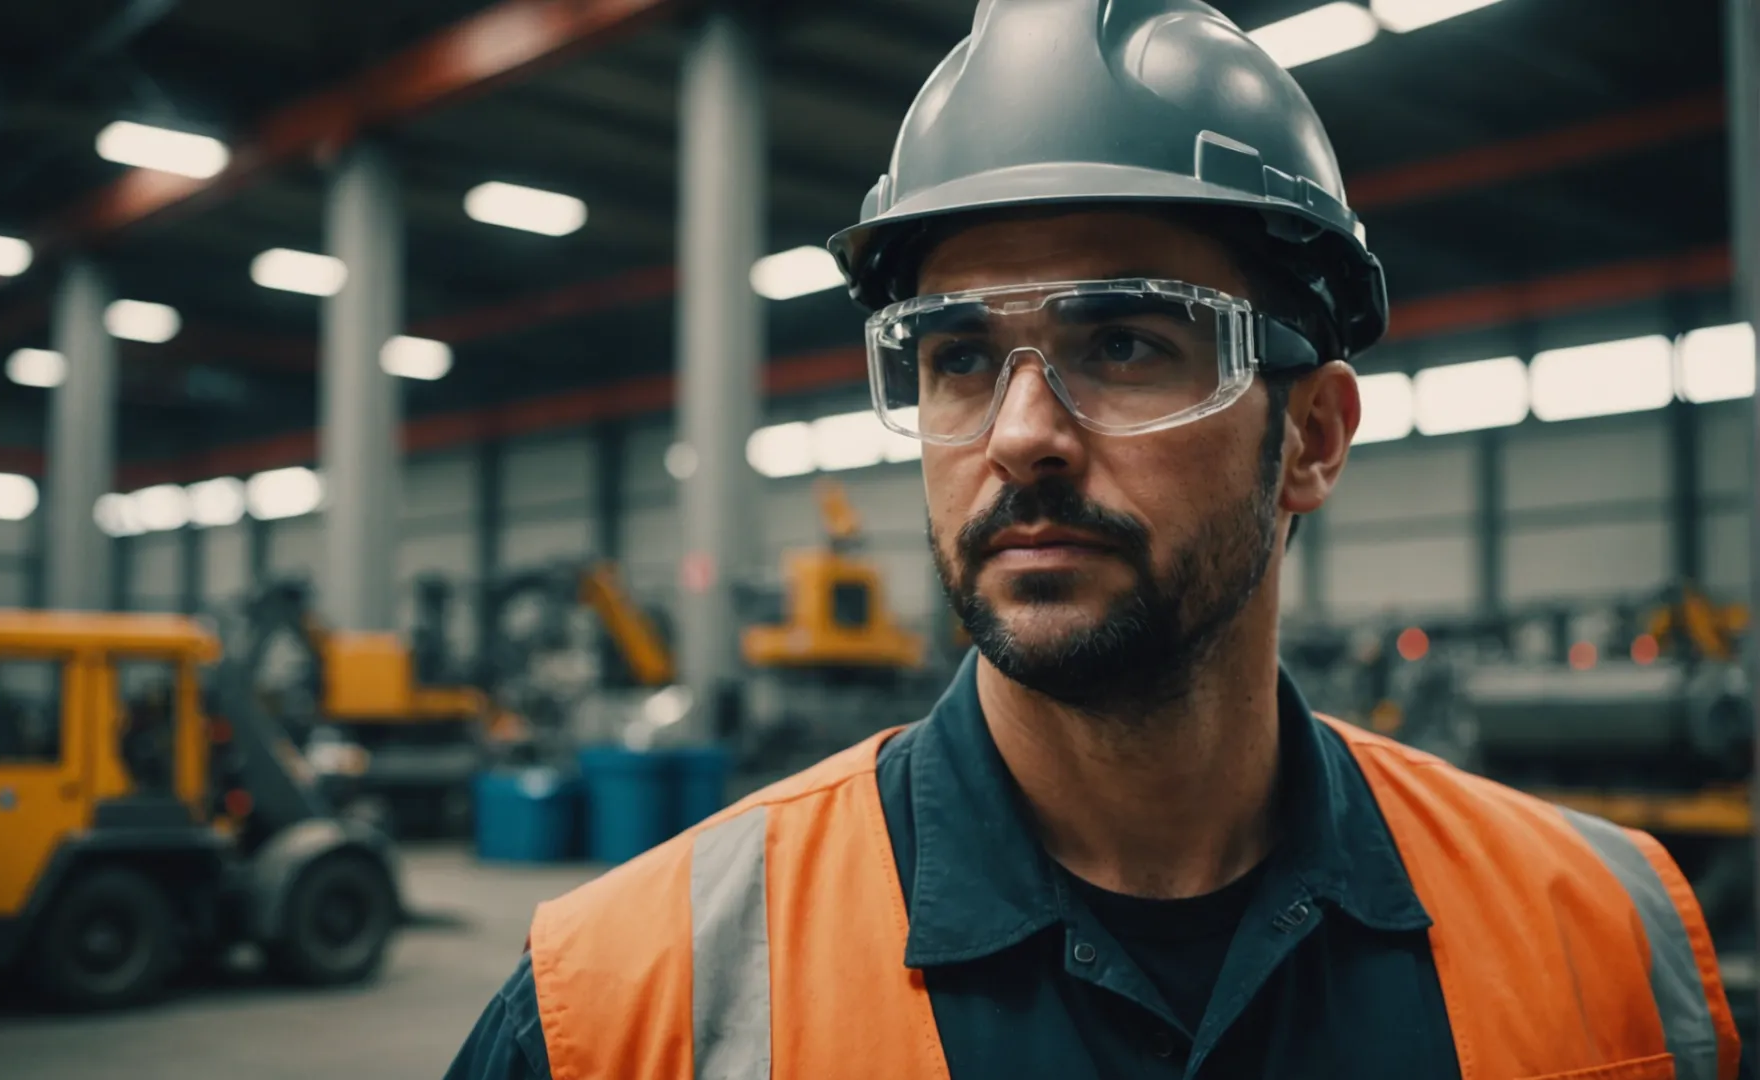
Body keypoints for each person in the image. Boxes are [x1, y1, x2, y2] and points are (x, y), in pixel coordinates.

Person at [445, 1, 1743, 1076]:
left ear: (1313, 437)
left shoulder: (1606, 944)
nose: (1021, 435)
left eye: (1123, 341)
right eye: (957, 356)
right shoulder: (625, 1004)